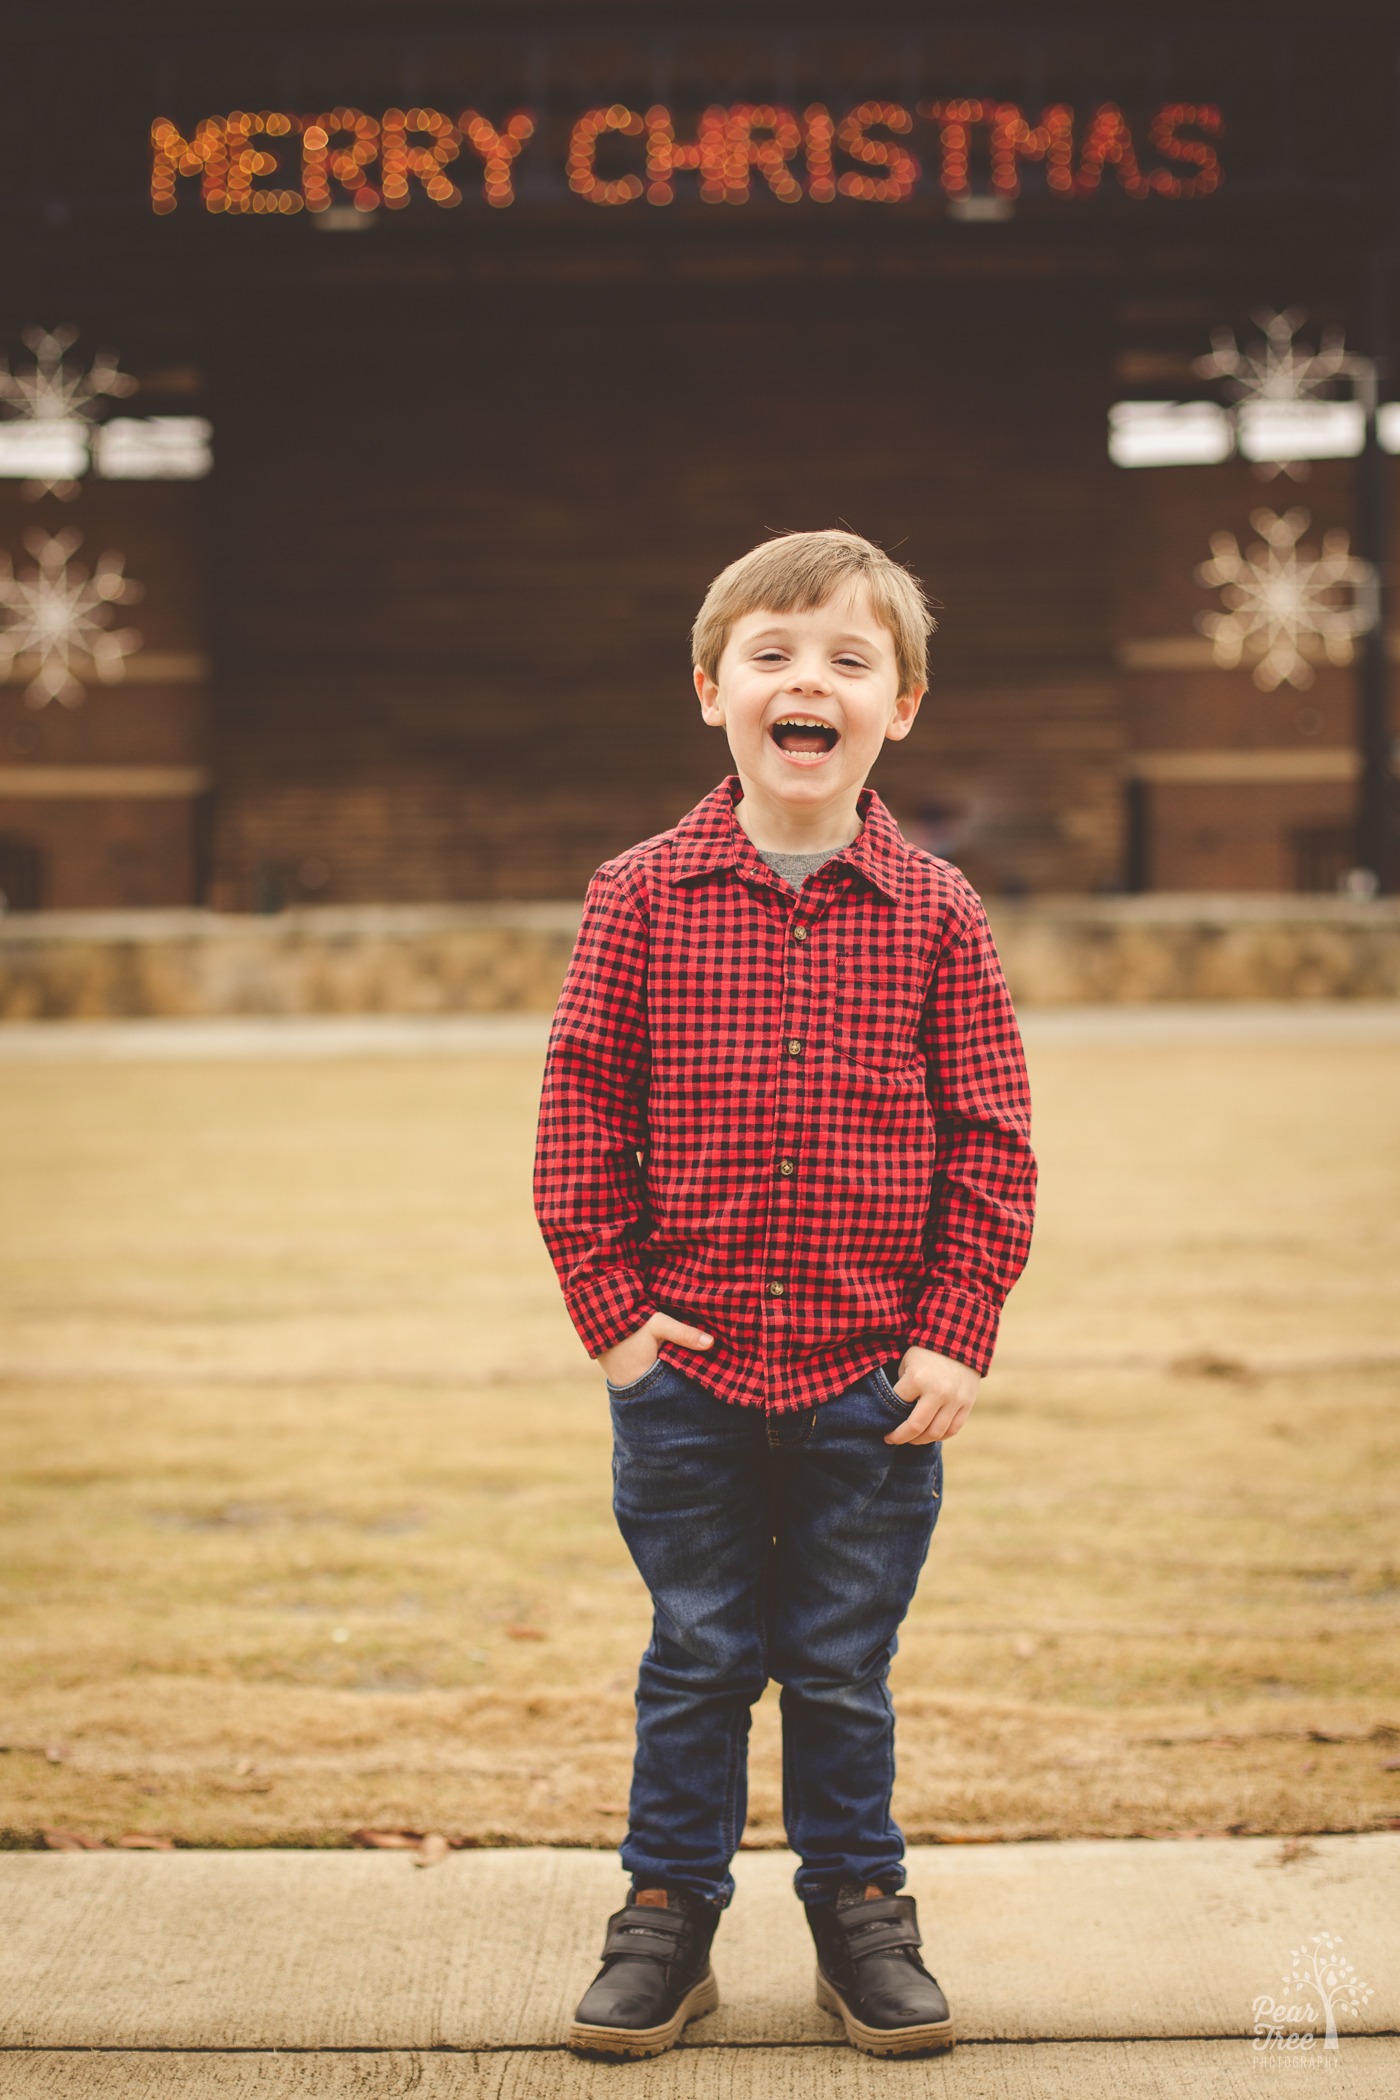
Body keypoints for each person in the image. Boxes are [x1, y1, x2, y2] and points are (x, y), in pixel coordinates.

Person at [533, 528, 1036, 2060]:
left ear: (904, 706)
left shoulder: (937, 912)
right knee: (696, 1655)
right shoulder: (641, 895)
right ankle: (665, 1920)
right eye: (771, 654)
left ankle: (860, 1916)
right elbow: (576, 1109)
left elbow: (993, 1139)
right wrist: (614, 1320)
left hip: (869, 1384)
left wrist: (956, 1331)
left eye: (847, 659)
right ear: (711, 692)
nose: (806, 680)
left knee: (836, 1663)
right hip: (686, 1374)